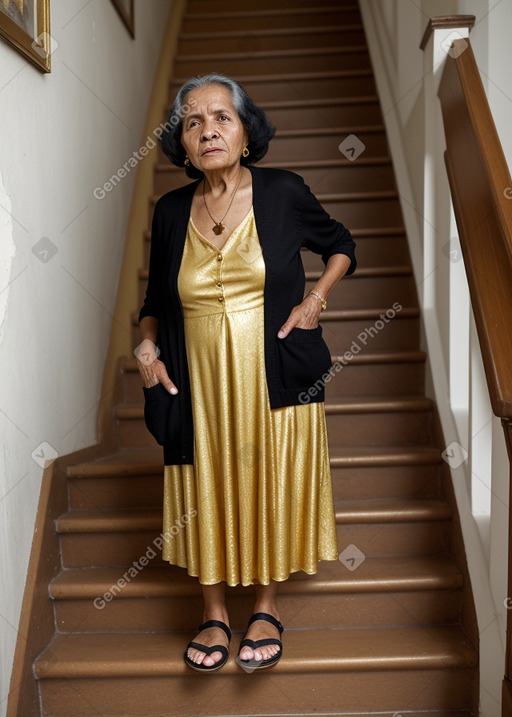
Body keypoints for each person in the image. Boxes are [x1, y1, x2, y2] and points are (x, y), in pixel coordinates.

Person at [137, 73, 356, 673]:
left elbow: (341, 243)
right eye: (192, 122)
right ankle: (213, 613)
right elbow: (155, 300)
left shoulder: (282, 192)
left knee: (271, 479)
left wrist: (316, 301)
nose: (208, 130)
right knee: (204, 481)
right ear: (182, 143)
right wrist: (147, 350)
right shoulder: (170, 210)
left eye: (221, 117)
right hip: (197, 379)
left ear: (245, 130)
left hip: (275, 371)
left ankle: (265, 607)